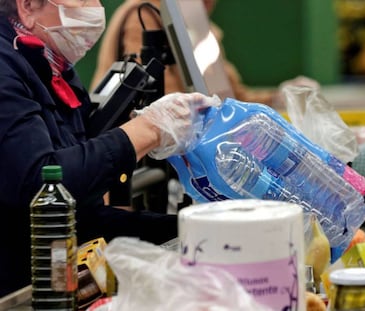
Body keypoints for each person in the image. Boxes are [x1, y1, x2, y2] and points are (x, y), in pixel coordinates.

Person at [0, 0, 218, 297]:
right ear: (27, 6)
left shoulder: (53, 66)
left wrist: (192, 233)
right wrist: (148, 130)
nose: (95, 6)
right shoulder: (6, 68)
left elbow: (84, 213)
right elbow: (43, 187)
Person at [90, 0, 318, 107]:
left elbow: (231, 97)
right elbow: (155, 101)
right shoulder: (143, 15)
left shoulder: (200, 27)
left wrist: (280, 97)